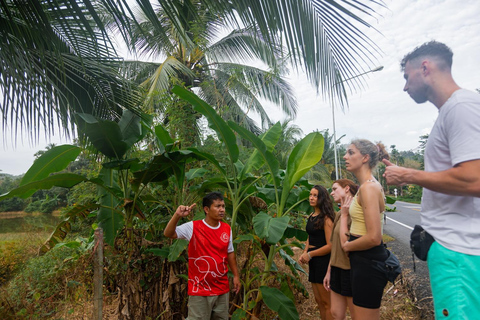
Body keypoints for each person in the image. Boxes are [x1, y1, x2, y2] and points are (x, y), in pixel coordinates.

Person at [383, 40, 480, 319]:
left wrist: (409, 175)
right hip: (455, 251)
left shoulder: (461, 107)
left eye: (406, 76)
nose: (404, 87)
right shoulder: (453, 110)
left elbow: (474, 179)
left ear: (424, 67)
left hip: (459, 253)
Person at [164, 192, 241, 320]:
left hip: (222, 288)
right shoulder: (194, 227)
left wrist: (236, 276)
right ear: (206, 209)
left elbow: (230, 253)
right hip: (200, 289)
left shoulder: (227, 229)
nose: (222, 209)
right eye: (217, 206)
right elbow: (168, 233)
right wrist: (177, 215)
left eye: (223, 206)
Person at [339, 139, 389, 320]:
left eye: (351, 152)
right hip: (363, 259)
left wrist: (347, 246)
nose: (345, 156)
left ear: (365, 158)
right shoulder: (368, 186)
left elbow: (375, 237)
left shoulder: (369, 188)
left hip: (368, 260)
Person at [324, 179, 359, 320]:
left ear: (346, 189)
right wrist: (329, 271)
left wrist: (345, 215)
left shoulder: (356, 212)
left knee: (356, 313)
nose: (331, 193)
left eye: (334, 189)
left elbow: (346, 246)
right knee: (336, 313)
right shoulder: (339, 214)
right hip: (337, 268)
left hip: (350, 270)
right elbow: (335, 247)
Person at [299, 185, 335, 320]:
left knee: (327, 302)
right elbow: (310, 237)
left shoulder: (326, 218)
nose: (311, 198)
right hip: (313, 261)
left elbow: (331, 245)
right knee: (319, 301)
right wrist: (304, 252)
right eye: (310, 195)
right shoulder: (312, 216)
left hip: (323, 261)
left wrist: (310, 254)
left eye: (315, 195)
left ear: (321, 198)